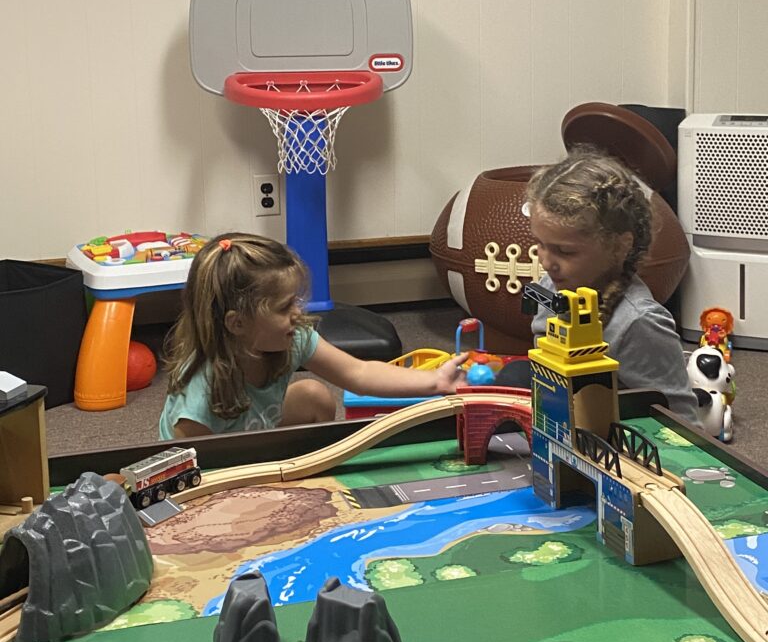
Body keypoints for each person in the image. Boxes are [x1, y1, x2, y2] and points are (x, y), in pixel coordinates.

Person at [159, 233, 467, 440]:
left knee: (314, 396)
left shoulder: (292, 337)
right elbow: (195, 470)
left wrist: (435, 381)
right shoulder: (199, 394)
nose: (297, 312)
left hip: (254, 431)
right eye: (284, 307)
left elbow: (358, 373)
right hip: (205, 461)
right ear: (237, 323)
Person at [519, 145, 700, 426]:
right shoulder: (553, 287)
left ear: (620, 246)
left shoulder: (639, 322)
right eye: (540, 244)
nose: (546, 261)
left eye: (565, 251)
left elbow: (683, 422)